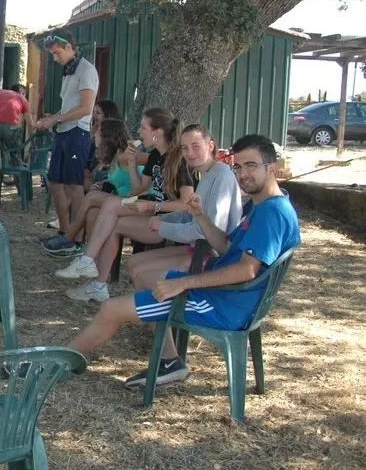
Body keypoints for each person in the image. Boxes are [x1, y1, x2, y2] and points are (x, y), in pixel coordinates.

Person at [65, 134, 300, 387]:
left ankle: (56, 362)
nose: (242, 174)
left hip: (223, 305)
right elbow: (228, 248)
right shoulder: (264, 205)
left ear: (272, 168)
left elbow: (246, 270)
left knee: (110, 309)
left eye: (251, 165)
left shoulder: (271, 213)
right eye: (238, 166)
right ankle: (169, 360)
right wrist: (200, 217)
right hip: (227, 298)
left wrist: (185, 283)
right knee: (147, 281)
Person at [55, 107, 197, 302]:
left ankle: (89, 265)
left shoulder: (179, 160)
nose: (138, 132)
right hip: (150, 210)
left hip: (169, 221)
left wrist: (151, 207)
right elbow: (139, 188)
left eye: (143, 128)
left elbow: (186, 205)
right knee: (101, 213)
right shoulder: (156, 155)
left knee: (110, 209)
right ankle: (95, 278)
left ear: (157, 133)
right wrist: (131, 163)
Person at [125, 125, 243, 291]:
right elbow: (191, 215)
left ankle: (159, 314)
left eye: (196, 146)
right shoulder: (205, 173)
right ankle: (153, 313)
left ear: (210, 146)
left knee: (140, 273)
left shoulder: (221, 176)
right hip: (197, 246)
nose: (190, 153)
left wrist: (163, 227)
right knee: (132, 263)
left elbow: (209, 232)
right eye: (185, 148)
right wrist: (163, 219)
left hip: (212, 255)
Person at [41, 118, 136, 258]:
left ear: (107, 137)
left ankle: (69, 238)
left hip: (133, 201)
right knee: (91, 211)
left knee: (91, 197)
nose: (93, 134)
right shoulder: (113, 157)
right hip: (121, 200)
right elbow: (121, 178)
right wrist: (105, 182)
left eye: (97, 131)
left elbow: (144, 160)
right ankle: (90, 256)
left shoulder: (123, 156)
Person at [37, 30, 99, 235]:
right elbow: (69, 107)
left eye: (57, 53)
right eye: (52, 54)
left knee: (74, 185)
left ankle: (77, 237)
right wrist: (51, 118)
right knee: (55, 183)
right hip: (63, 132)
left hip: (77, 133)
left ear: (69, 47)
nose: (55, 58)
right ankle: (65, 232)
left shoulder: (86, 70)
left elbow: (85, 109)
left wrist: (54, 119)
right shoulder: (69, 70)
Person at [0, 84, 37, 199]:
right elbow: (30, 122)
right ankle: (22, 192)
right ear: (21, 92)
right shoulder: (22, 98)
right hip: (12, 128)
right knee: (16, 160)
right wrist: (32, 140)